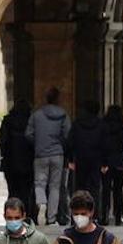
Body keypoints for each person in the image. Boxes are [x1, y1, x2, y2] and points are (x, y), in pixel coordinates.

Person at [26, 87, 72, 225]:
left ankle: (41, 203)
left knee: (39, 184)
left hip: (40, 154)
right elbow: (68, 134)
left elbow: (28, 134)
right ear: (58, 99)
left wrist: (38, 143)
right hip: (57, 154)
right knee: (55, 187)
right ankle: (52, 218)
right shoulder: (63, 115)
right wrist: (60, 144)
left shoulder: (36, 114)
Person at [0, 99, 36, 221]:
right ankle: (26, 215)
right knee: (27, 191)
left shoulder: (8, 120)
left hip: (10, 162)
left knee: (13, 190)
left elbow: (2, 140)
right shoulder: (30, 121)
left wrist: (5, 153)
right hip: (28, 161)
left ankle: (12, 216)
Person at [67, 100, 108, 206]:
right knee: (94, 187)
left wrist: (70, 159)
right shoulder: (101, 125)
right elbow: (105, 144)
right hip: (96, 160)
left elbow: (70, 142)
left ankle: (79, 210)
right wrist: (104, 163)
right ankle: (94, 213)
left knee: (80, 187)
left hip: (81, 158)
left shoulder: (77, 123)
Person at [100, 105, 123, 225]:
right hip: (119, 163)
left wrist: (103, 161)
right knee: (118, 190)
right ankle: (118, 217)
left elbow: (102, 146)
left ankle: (104, 215)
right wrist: (122, 155)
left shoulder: (103, 127)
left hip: (106, 163)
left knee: (105, 190)